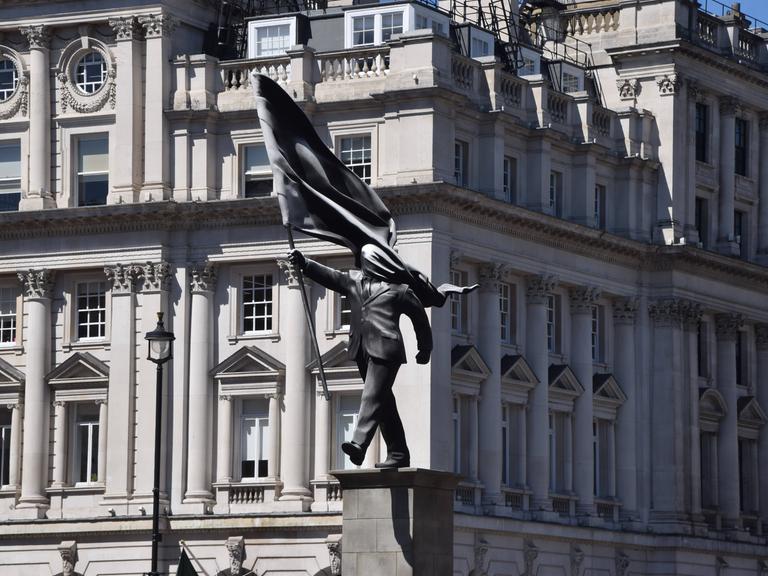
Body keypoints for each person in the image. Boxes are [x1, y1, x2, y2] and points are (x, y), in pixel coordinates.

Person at [288, 244, 433, 468]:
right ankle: (398, 453)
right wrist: (305, 263)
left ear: (376, 264)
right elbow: (330, 276)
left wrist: (425, 349)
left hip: (386, 350)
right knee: (384, 403)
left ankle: (359, 444)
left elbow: (421, 321)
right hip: (361, 348)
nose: (362, 266)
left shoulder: (399, 290)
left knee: (372, 395)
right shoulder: (353, 282)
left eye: (366, 261)